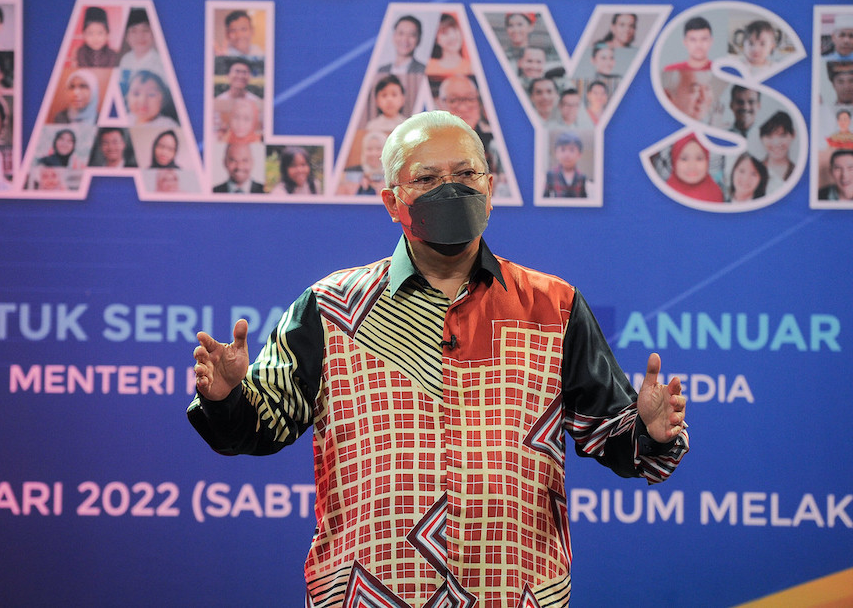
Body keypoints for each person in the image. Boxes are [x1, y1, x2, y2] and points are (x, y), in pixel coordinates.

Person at [189, 110, 689, 606]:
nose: (451, 189)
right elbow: (260, 428)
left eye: (466, 174)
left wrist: (648, 431)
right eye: (427, 179)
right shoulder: (329, 308)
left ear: (490, 189)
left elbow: (615, 439)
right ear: (393, 202)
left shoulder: (554, 307)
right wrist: (227, 398)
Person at [666, 132, 723, 202]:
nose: (692, 166)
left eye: (699, 159)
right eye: (684, 159)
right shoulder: (663, 193)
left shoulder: (715, 193)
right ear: (674, 161)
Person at [117, 8, 165, 79]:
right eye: (134, 31)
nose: (140, 36)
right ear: (126, 37)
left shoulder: (161, 63)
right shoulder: (126, 59)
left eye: (145, 30)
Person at [759, 110, 796, 194]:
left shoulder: (799, 172)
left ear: (793, 134)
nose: (776, 143)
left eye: (782, 135)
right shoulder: (754, 171)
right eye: (769, 136)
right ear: (761, 137)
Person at [426, 14, 473, 78]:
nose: (452, 36)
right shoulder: (428, 67)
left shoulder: (472, 67)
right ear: (436, 39)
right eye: (445, 33)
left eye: (455, 30)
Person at [543, 131, 587, 197]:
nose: (567, 155)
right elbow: (545, 197)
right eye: (563, 150)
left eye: (571, 150)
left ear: (579, 155)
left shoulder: (582, 177)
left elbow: (584, 198)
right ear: (556, 153)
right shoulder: (550, 175)